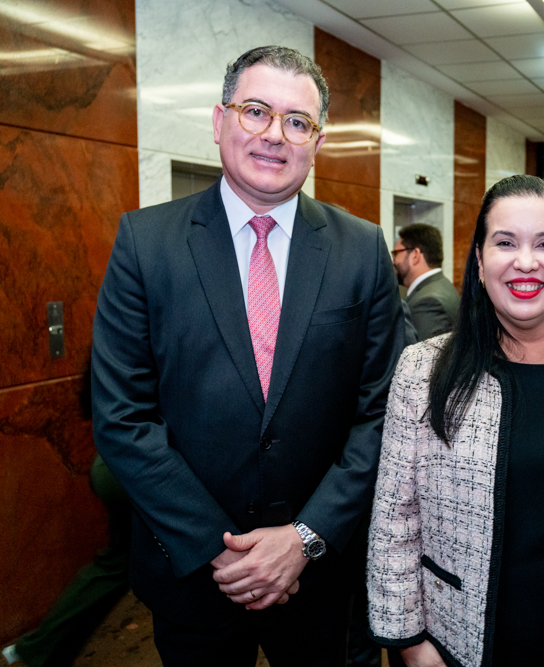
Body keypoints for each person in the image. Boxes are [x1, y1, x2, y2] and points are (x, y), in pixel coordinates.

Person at [91, 45, 405, 666]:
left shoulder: (361, 250)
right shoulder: (144, 243)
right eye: (255, 111)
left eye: (297, 121)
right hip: (192, 574)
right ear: (219, 120)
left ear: (317, 140)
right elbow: (122, 417)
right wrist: (222, 550)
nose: (273, 135)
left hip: (322, 579)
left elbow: (383, 414)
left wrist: (305, 539)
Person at [368, 175, 544, 667]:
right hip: (456, 639)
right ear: (480, 262)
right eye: (505, 243)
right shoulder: (422, 369)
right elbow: (395, 520)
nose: (526, 261)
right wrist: (412, 644)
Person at [4, 359, 131, 667]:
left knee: (117, 565)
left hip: (114, 460)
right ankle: (38, 650)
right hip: (131, 470)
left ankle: (36, 651)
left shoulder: (123, 325)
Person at [392, 223, 460, 340]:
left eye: (396, 253)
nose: (393, 261)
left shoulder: (427, 302)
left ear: (415, 255)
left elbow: (422, 357)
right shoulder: (443, 284)